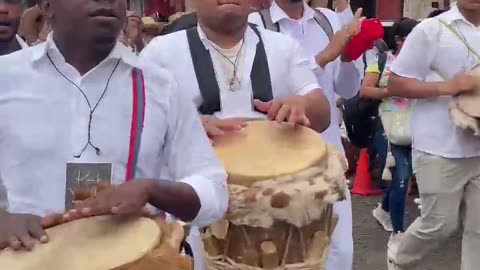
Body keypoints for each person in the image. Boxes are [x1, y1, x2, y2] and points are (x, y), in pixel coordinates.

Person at [0, 0, 228, 255]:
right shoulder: (6, 78)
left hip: (134, 260)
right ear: (48, 6)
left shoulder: (161, 85)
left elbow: (214, 191)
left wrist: (152, 190)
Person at [140, 0, 331, 267]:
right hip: (195, 209)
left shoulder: (282, 46)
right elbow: (135, 127)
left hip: (278, 210)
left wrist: (301, 104)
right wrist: (188, 126)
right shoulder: (160, 52)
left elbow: (322, 113)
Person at [249, 1, 362, 269]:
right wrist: (327, 54)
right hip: (280, 162)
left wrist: (347, 57)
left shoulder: (328, 20)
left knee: (339, 250)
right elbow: (258, 91)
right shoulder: (256, 23)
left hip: (328, 157)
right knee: (289, 251)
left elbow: (347, 90)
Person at [387, 1, 480, 269]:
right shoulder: (431, 29)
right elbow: (396, 83)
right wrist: (447, 87)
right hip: (439, 146)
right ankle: (400, 259)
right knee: (439, 224)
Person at [362, 17, 418, 248]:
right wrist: (391, 90)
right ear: (398, 40)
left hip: (415, 127)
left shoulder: (424, 64)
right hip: (387, 126)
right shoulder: (383, 61)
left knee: (404, 176)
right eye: (412, 39)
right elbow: (365, 90)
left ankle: (384, 209)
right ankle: (399, 232)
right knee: (401, 177)